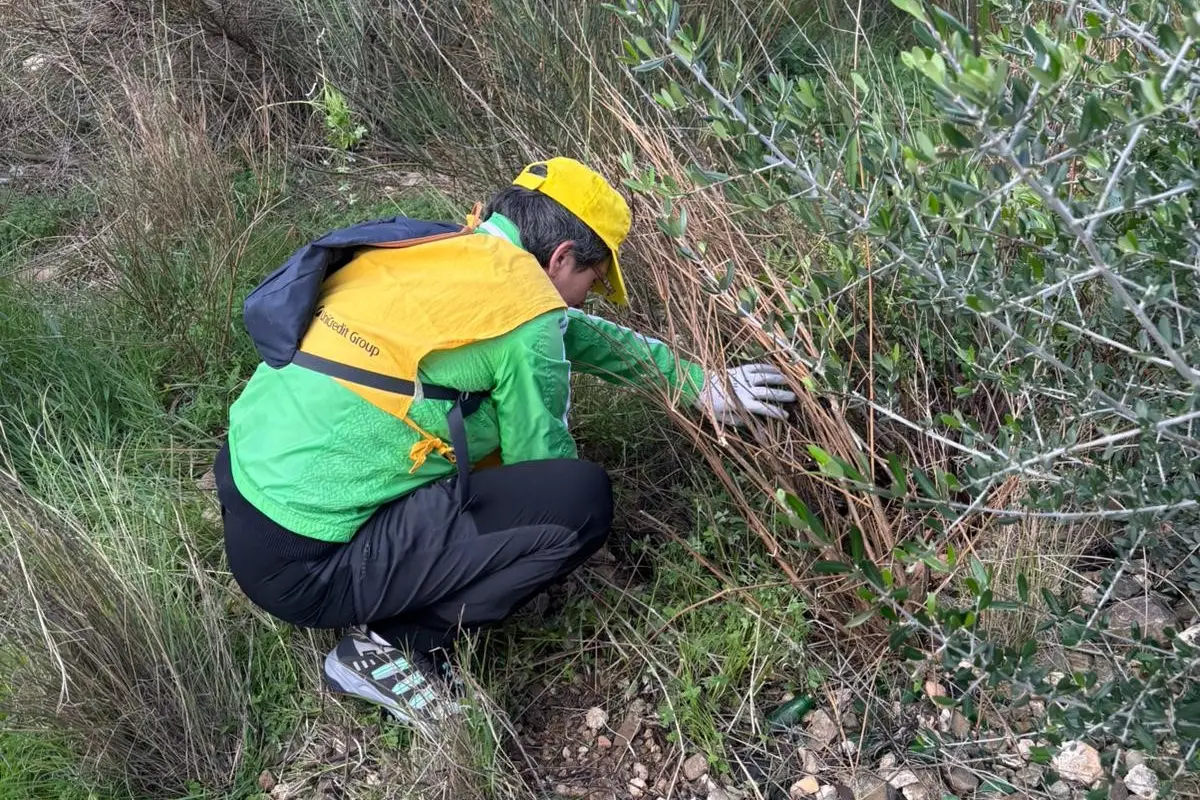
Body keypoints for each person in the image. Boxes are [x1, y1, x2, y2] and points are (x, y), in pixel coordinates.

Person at [213, 157, 795, 725]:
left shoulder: (438, 247)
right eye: (590, 280)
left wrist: (693, 381)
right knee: (576, 502)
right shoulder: (526, 318)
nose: (583, 298)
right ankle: (391, 648)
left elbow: (561, 329)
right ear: (562, 256)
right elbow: (541, 470)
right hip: (308, 572)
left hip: (246, 497)